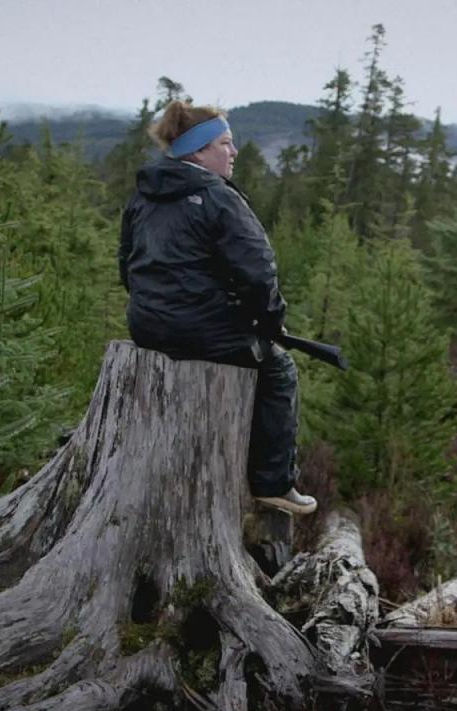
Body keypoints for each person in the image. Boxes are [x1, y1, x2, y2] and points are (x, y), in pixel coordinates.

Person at [118, 100, 316, 515]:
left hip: (146, 326)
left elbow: (126, 264)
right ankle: (273, 483)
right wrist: (271, 323)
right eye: (225, 142)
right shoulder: (216, 197)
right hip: (202, 331)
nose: (234, 151)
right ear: (198, 151)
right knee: (278, 369)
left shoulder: (144, 194)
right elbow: (259, 273)